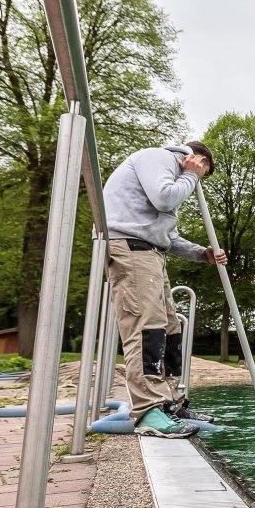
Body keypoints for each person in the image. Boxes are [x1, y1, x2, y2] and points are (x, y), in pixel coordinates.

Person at [103, 141, 226, 438]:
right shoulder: (156, 158)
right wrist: (192, 175)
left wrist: (202, 253)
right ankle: (148, 411)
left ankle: (170, 403)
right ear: (196, 158)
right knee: (146, 328)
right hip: (130, 249)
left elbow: (168, 237)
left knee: (169, 329)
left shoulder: (168, 173)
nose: (198, 181)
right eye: (203, 171)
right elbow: (164, 199)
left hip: (150, 253)